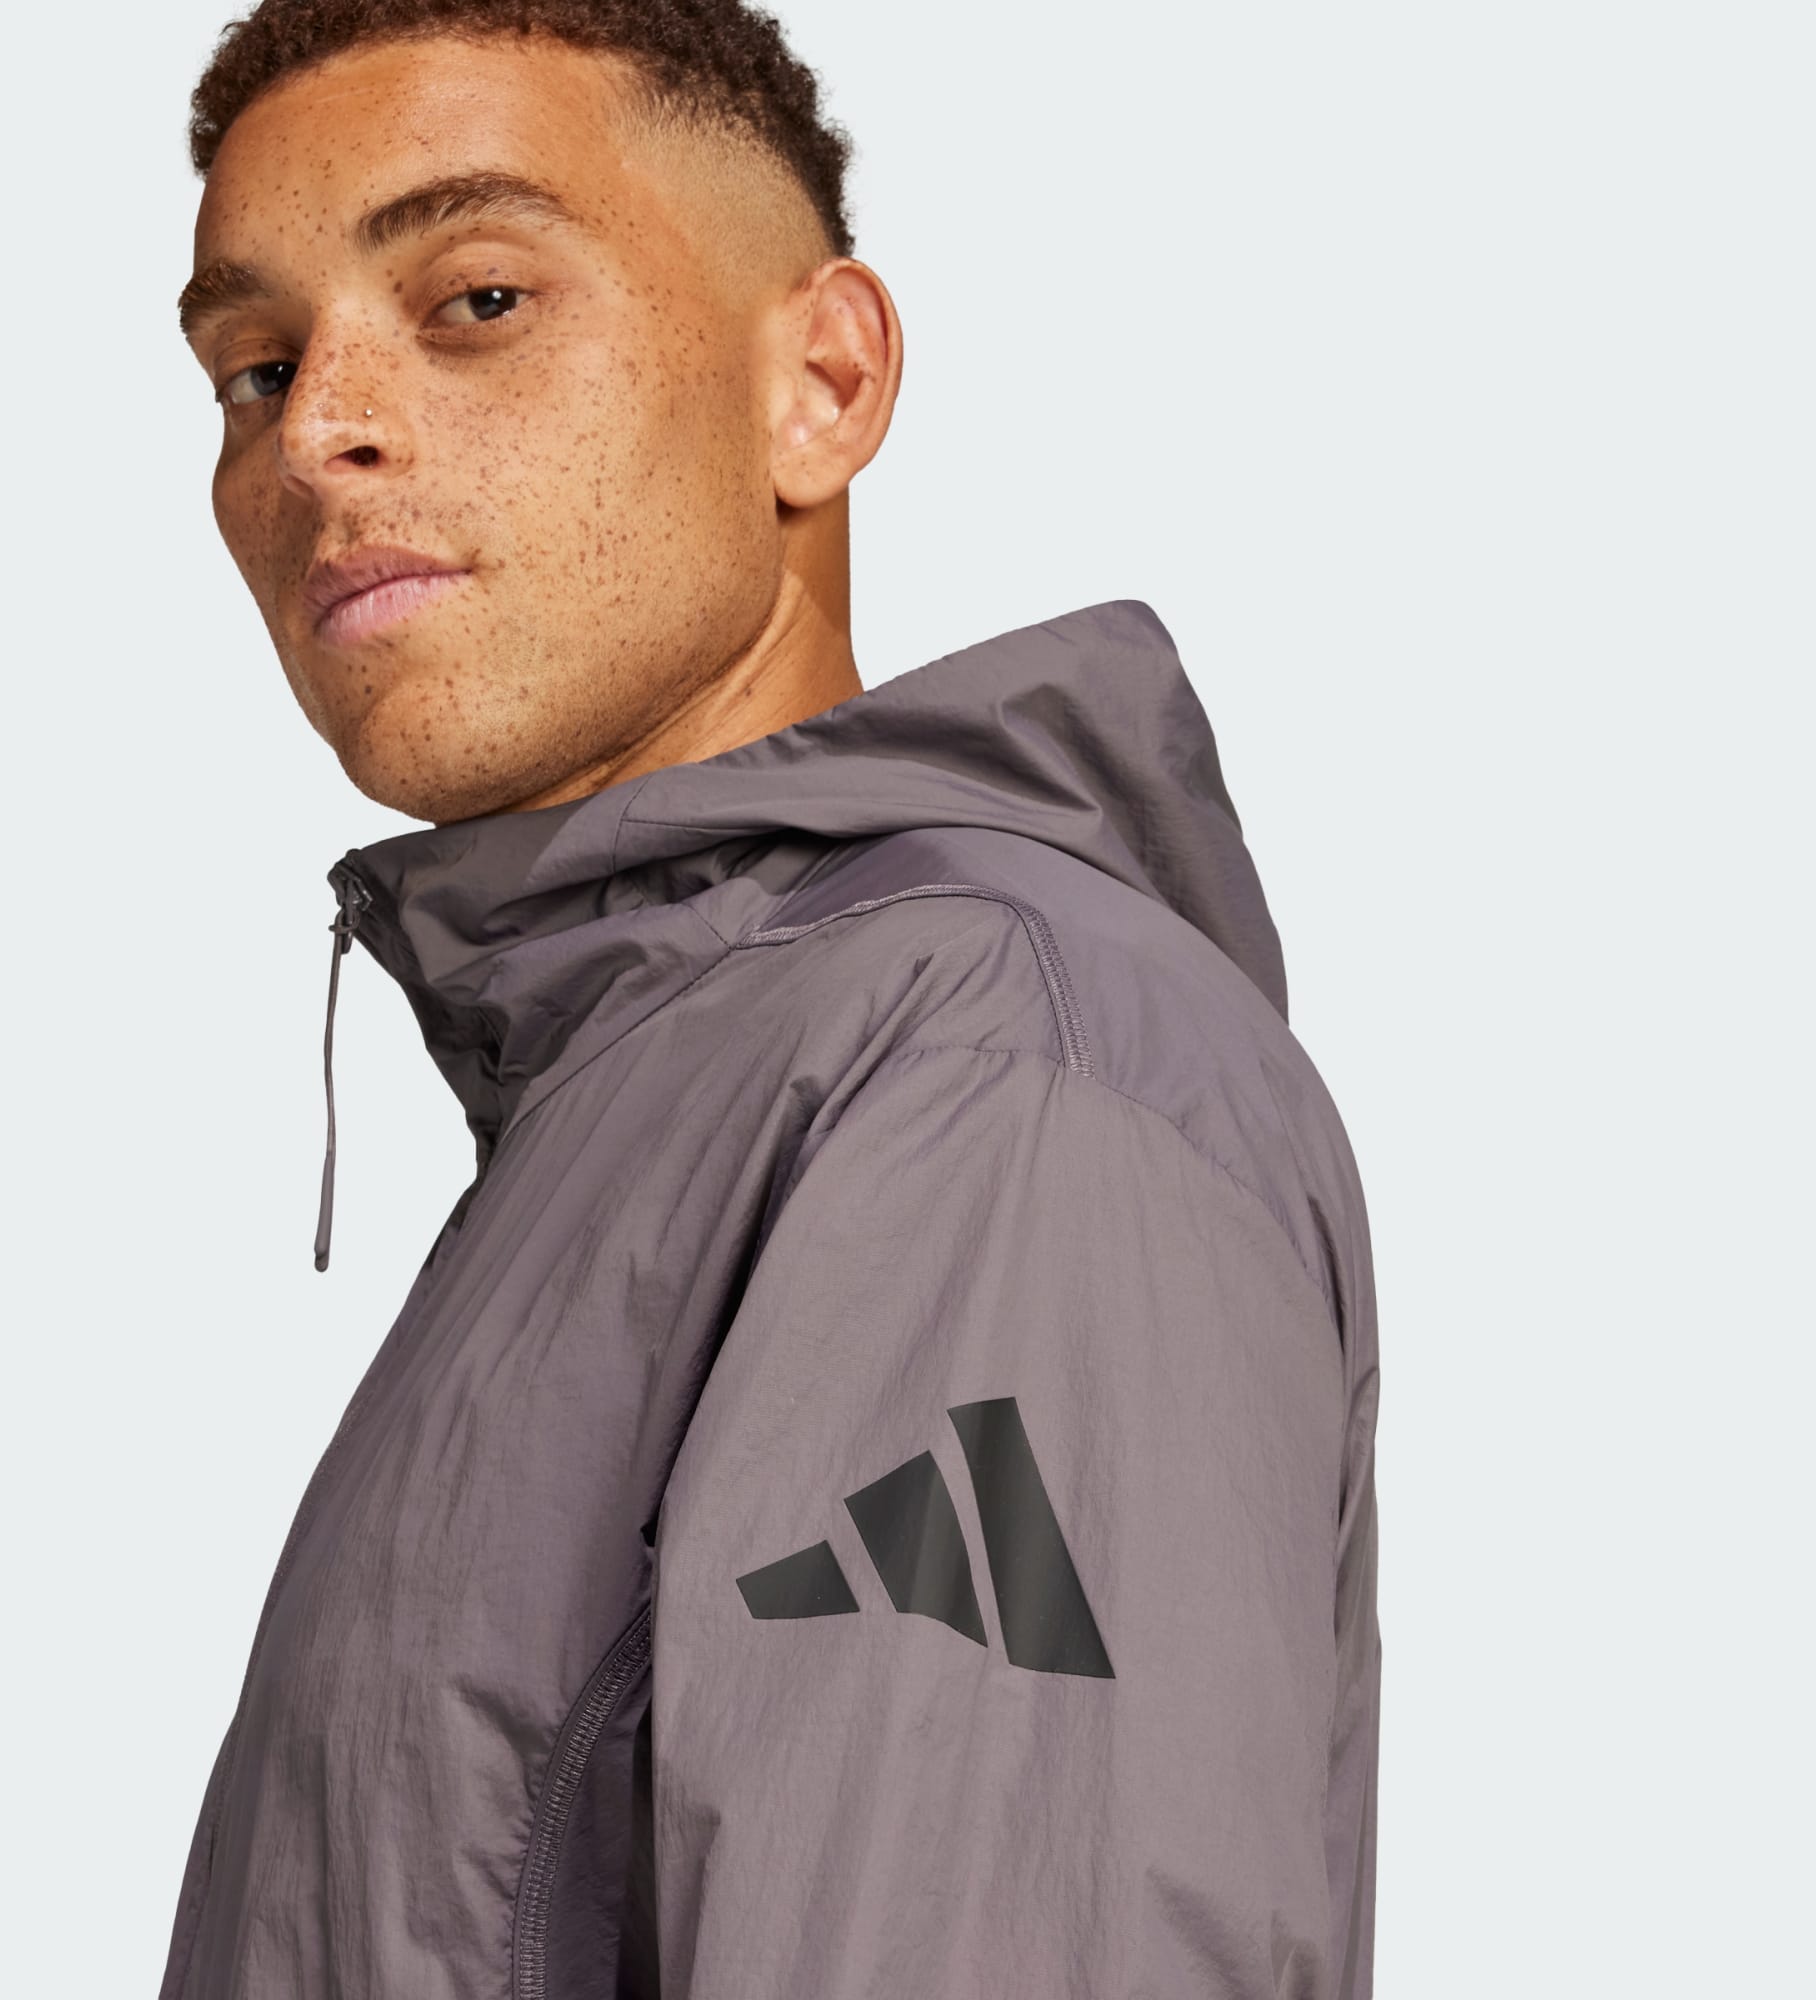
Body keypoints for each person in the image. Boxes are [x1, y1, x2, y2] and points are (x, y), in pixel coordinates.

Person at [159, 3, 1382, 1994]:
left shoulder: (986, 1068)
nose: (316, 435)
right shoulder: (653, 1085)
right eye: (256, 366)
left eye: (477, 299)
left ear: (819, 382)